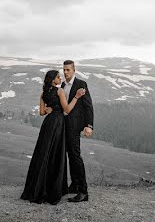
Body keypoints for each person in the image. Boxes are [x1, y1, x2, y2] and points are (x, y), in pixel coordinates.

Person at [20, 69, 86, 205]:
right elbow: (67, 109)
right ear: (52, 80)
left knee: (44, 153)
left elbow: (41, 112)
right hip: (58, 124)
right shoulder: (59, 91)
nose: (60, 78)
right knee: (56, 154)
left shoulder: (43, 93)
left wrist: (49, 110)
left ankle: (38, 188)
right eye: (57, 77)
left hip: (48, 124)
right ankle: (53, 189)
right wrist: (76, 97)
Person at [61, 59, 94, 202]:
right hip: (64, 127)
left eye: (68, 69)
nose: (65, 72)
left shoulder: (81, 84)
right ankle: (74, 185)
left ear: (74, 70)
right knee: (70, 156)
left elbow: (88, 106)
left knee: (75, 157)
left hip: (75, 127)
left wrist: (89, 125)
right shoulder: (63, 85)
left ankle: (83, 191)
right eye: (64, 70)